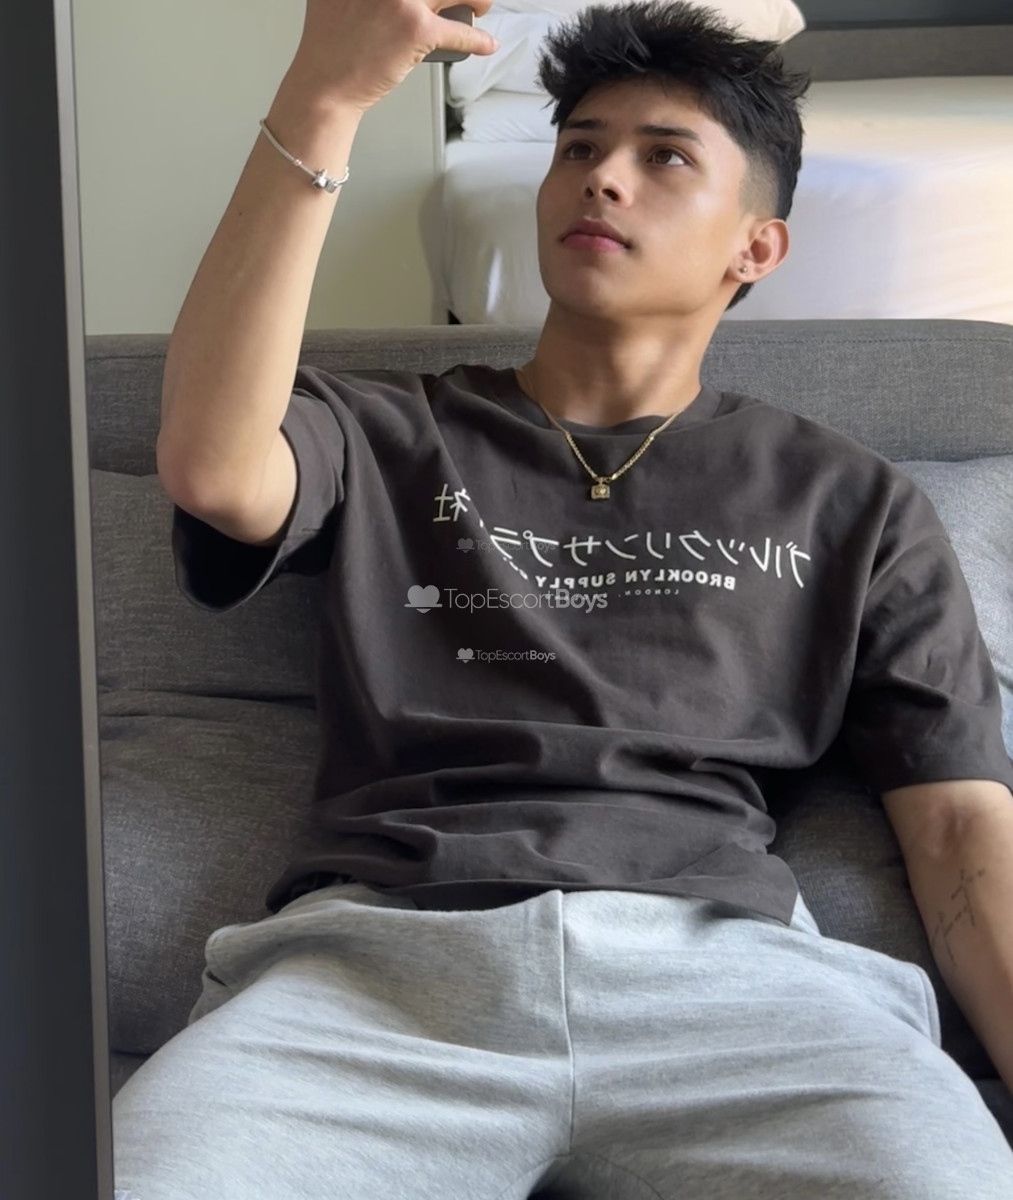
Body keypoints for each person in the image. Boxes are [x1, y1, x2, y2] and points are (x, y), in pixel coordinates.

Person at [117, 1, 1013, 1196]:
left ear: (755, 248)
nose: (601, 178)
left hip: (740, 999)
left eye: (664, 157)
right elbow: (214, 469)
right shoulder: (387, 429)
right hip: (378, 976)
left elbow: (957, 833)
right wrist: (323, 97)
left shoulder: (850, 500)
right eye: (578, 147)